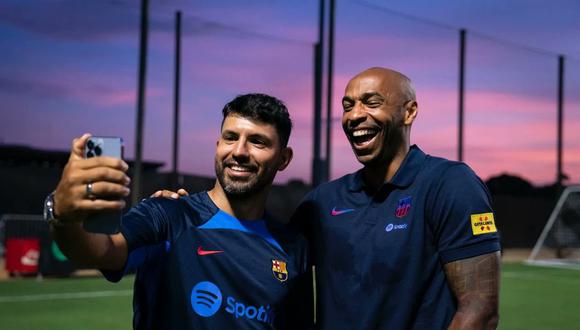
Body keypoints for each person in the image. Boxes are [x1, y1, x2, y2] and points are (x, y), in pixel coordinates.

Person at [157, 67, 501, 329]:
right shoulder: (323, 202)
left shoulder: (449, 184)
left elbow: (479, 309)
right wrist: (189, 213)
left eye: (371, 102)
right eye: (347, 106)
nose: (354, 116)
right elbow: (263, 257)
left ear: (409, 112)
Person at [44, 93, 313, 329]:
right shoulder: (169, 215)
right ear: (218, 146)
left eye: (257, 141)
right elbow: (100, 251)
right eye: (230, 137)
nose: (239, 151)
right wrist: (64, 214)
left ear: (284, 158)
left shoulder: (292, 247)